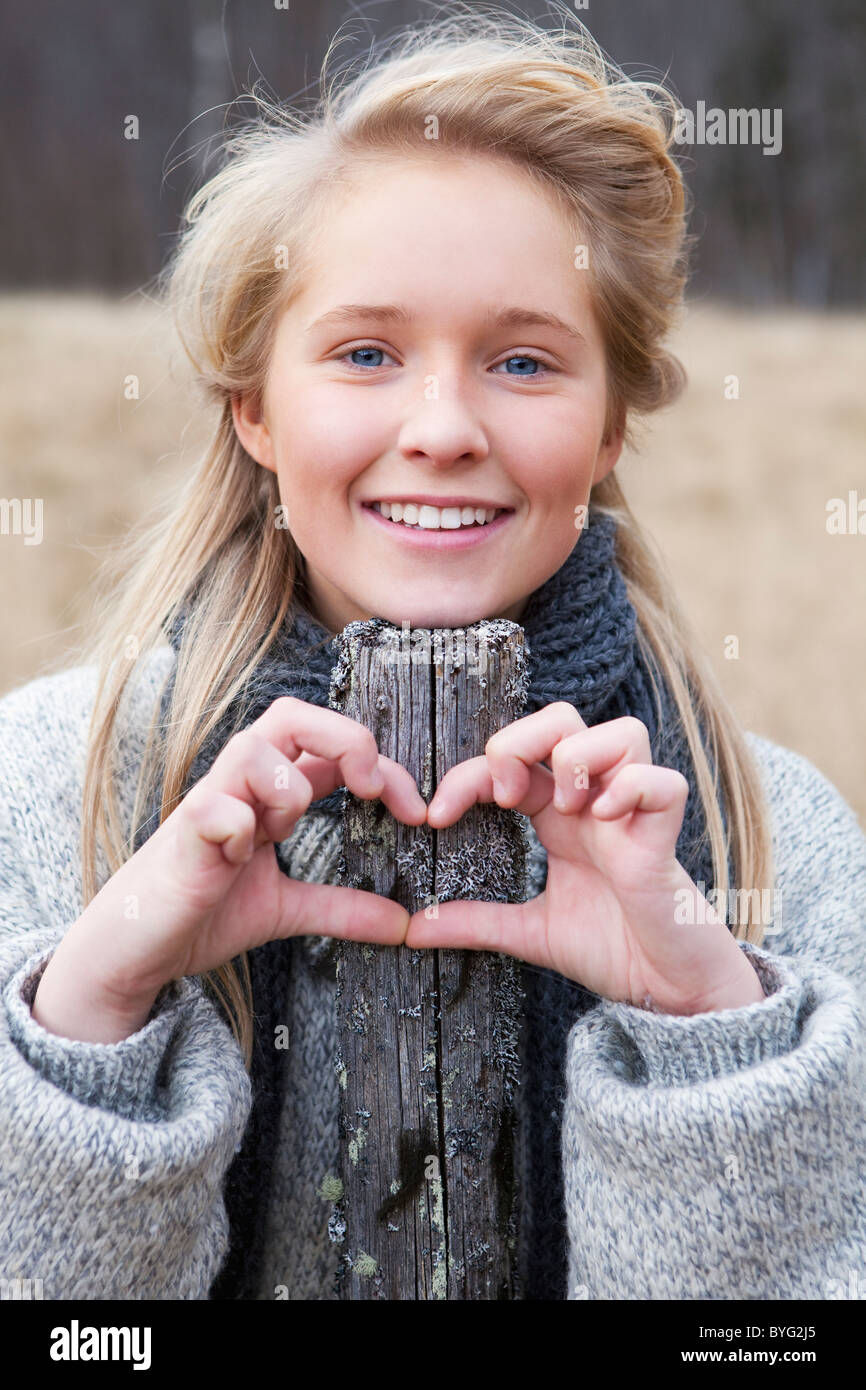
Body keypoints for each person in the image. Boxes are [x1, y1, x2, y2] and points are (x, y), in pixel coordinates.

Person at [1, 4, 864, 1302]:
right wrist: (90, 1013)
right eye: (364, 353)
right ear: (254, 409)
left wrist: (706, 1030)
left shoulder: (768, 839)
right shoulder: (51, 781)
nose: (444, 425)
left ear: (611, 424)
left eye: (523, 361)